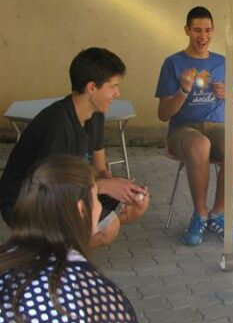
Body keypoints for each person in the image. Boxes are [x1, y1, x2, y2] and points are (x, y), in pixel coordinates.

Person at [0, 155, 155, 323]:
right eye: (97, 200)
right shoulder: (90, 294)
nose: (100, 207)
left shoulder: (7, 259)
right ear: (81, 209)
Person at [0, 47, 149, 247]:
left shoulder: (96, 114)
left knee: (133, 207)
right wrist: (104, 187)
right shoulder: (58, 125)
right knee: (108, 228)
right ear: (91, 87)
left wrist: (122, 188)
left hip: (72, 189)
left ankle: (67, 245)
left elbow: (100, 168)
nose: (117, 93)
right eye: (113, 86)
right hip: (29, 202)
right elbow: (52, 188)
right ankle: (53, 253)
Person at [155, 6, 233, 246]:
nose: (202, 36)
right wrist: (184, 90)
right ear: (187, 30)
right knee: (200, 145)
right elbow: (163, 114)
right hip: (183, 130)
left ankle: (218, 214)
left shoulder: (222, 62)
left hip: (216, 126)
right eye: (197, 30)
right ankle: (200, 215)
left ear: (213, 31)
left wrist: (229, 94)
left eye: (207, 30)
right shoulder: (173, 63)